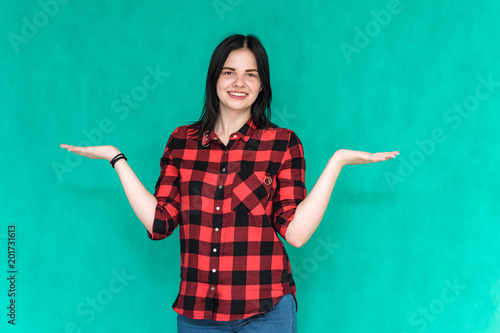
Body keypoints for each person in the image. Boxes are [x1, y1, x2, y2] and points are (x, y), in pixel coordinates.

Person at [60, 33, 399, 332]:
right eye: (229, 72)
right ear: (215, 79)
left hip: (267, 313)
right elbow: (161, 222)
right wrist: (116, 159)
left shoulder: (282, 143)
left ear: (262, 84)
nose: (240, 83)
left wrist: (337, 162)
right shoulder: (182, 141)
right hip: (197, 315)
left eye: (251, 75)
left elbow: (295, 233)